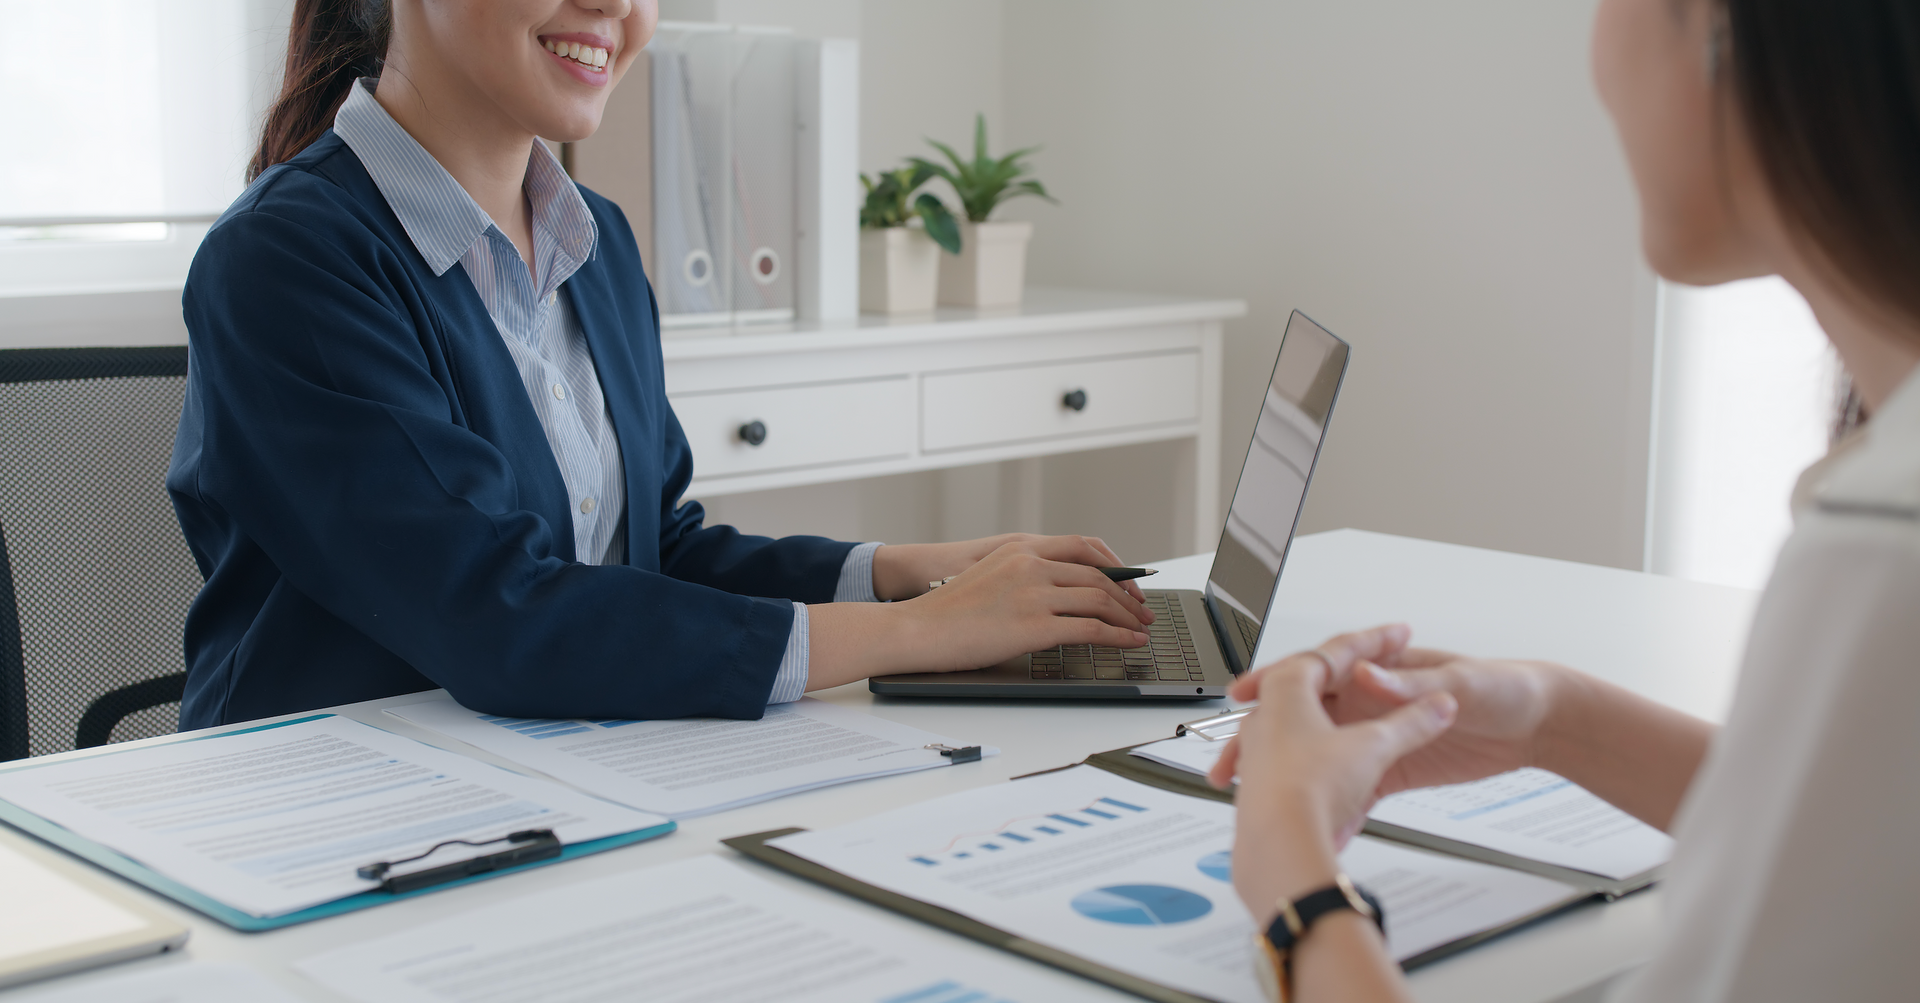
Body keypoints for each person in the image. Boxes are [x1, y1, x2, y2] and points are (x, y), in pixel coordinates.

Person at [166, 0, 1155, 730]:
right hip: (336, 806)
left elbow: (652, 551)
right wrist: (926, 634)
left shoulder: (596, 241)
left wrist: (905, 574)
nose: (619, 12)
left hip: (552, 769)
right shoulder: (286, 261)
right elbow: (498, 614)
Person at [1214, 0, 1920, 1000]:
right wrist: (1556, 718)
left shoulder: (1887, 549)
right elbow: (1869, 831)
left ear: (1726, 30)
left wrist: (1296, 891)